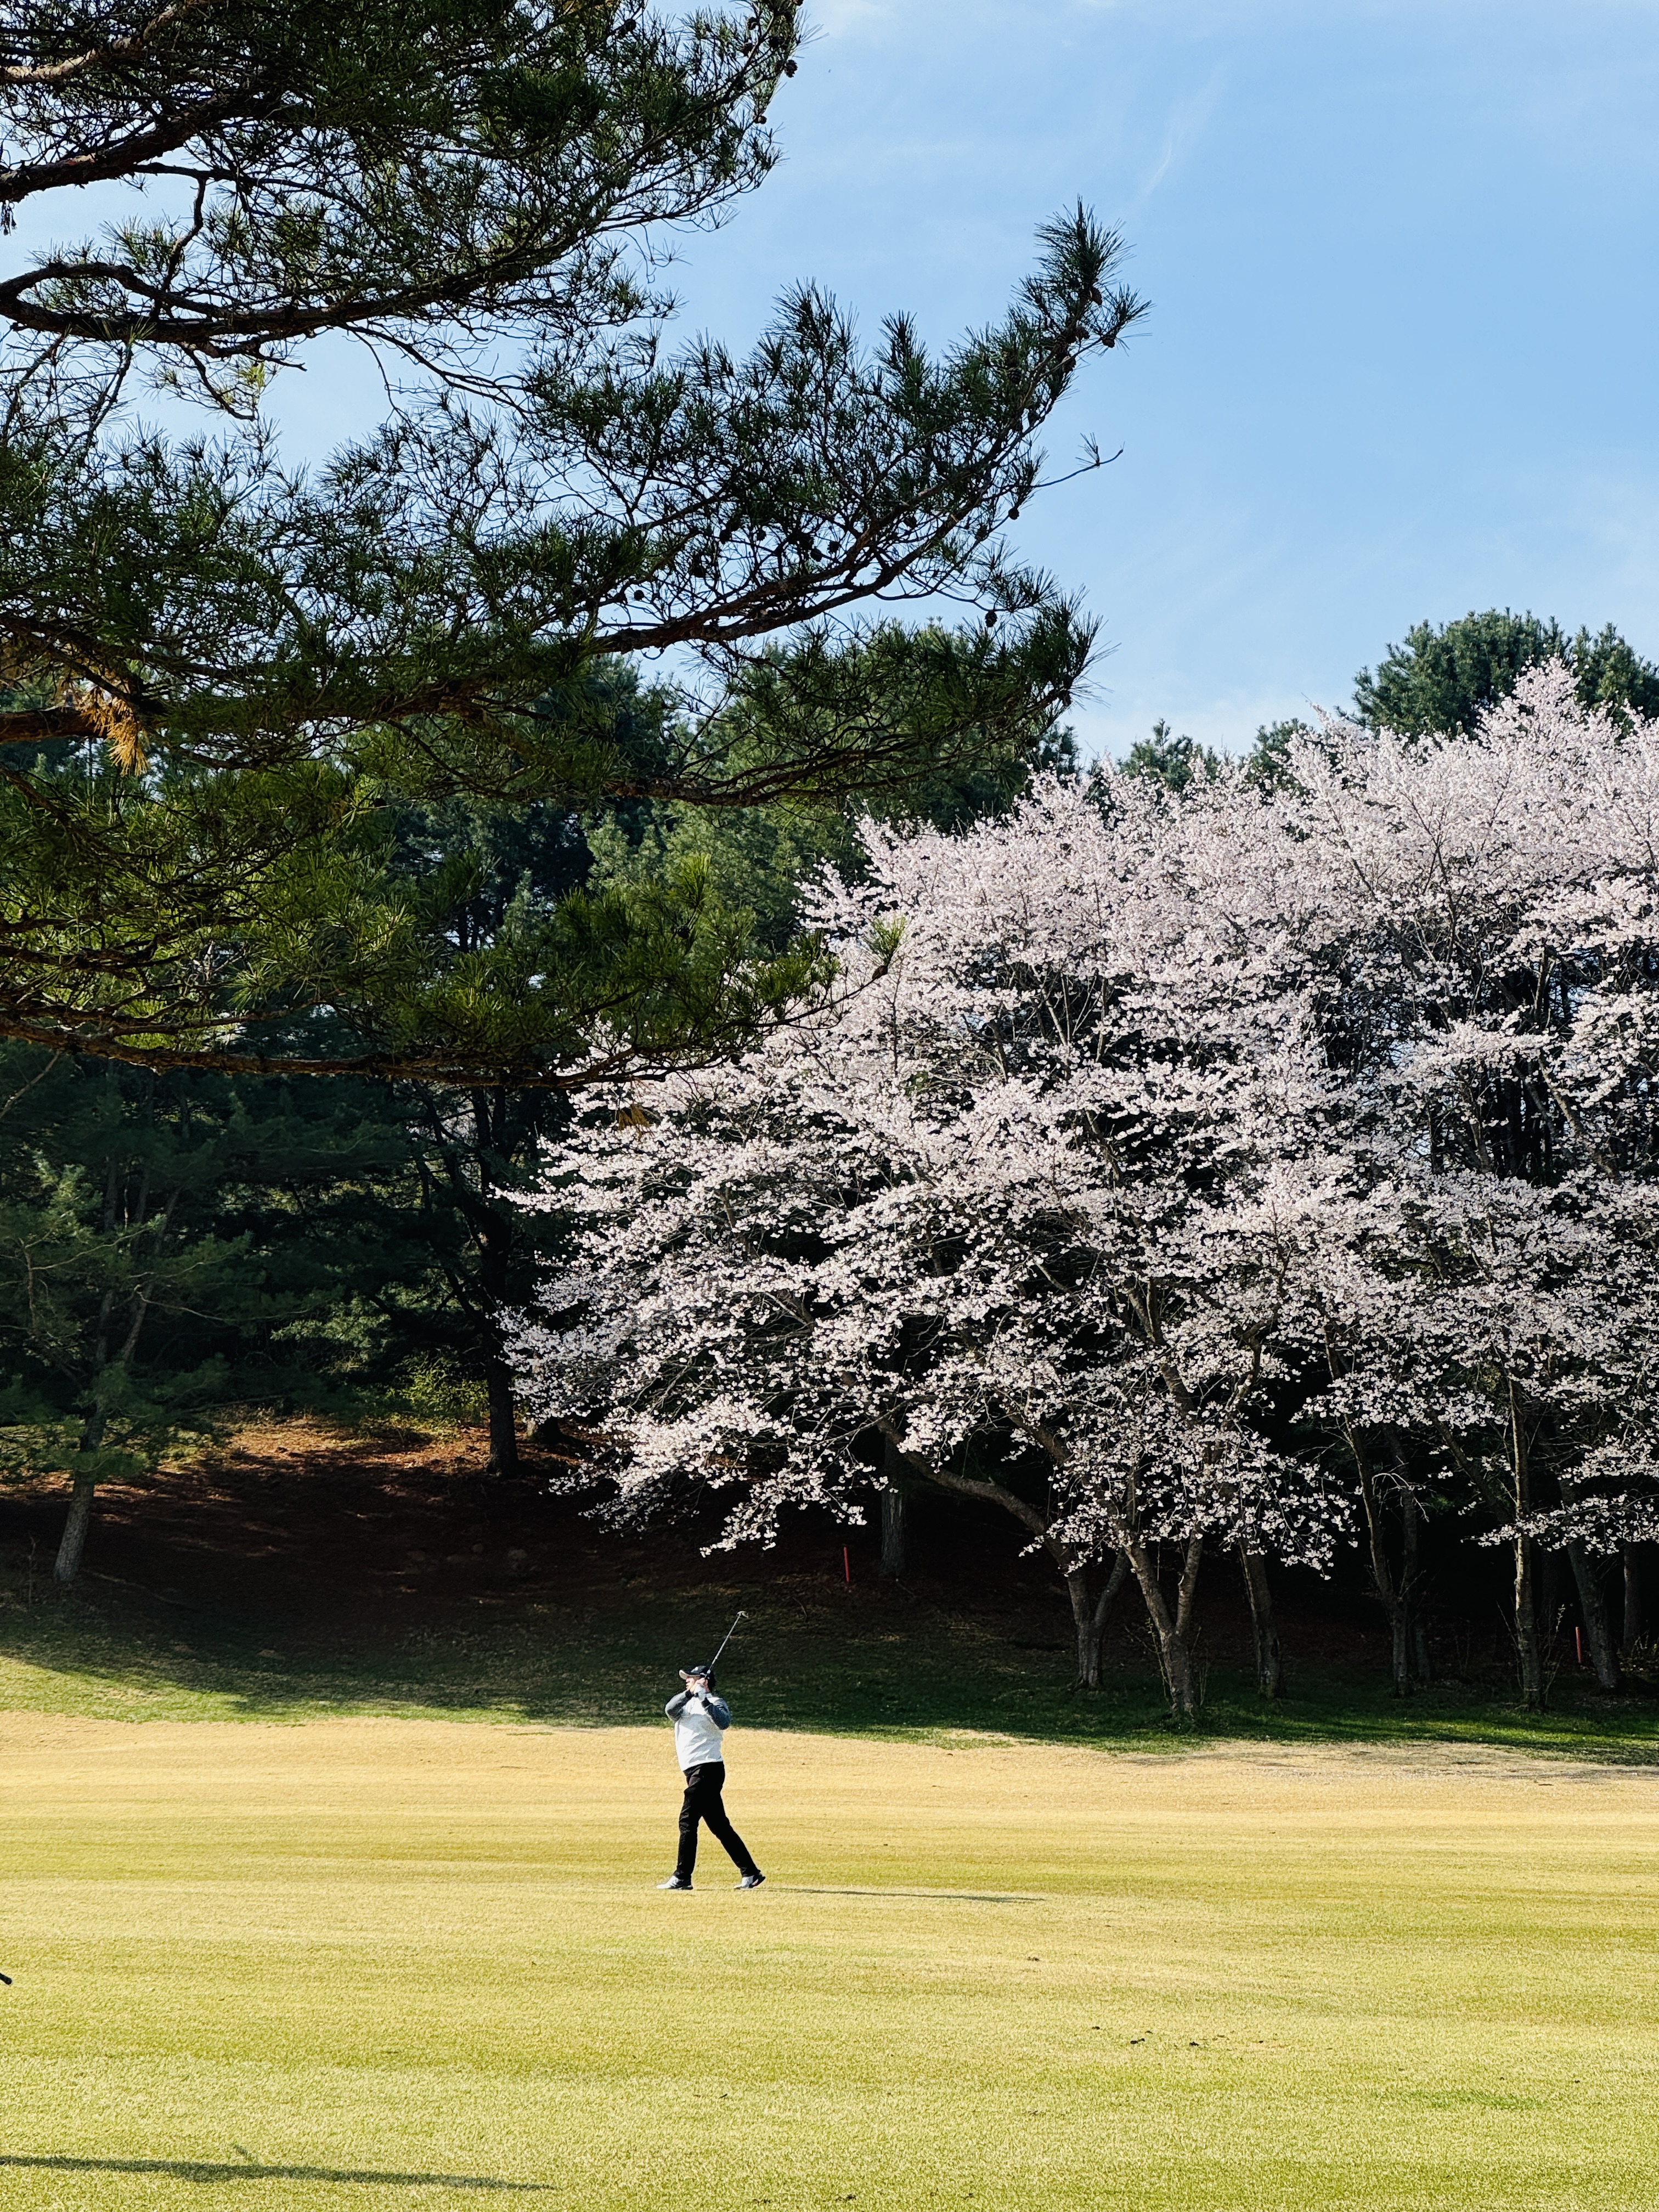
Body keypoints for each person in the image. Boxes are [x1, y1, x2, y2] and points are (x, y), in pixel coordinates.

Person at [658, 1663, 765, 1892]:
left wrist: (705, 1698)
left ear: (704, 1680)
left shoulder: (715, 1703)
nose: (687, 1680)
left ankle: (682, 1877)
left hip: (707, 1769)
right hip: (693, 1772)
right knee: (719, 1826)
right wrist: (690, 1693)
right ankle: (751, 1873)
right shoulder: (685, 1705)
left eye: (691, 1678)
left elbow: (724, 1722)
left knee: (687, 1821)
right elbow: (669, 1709)